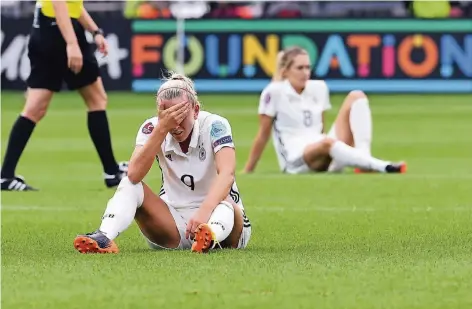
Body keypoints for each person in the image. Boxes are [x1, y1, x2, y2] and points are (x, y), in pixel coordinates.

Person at [73, 73, 252, 254]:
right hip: (172, 224)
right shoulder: (152, 128)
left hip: (222, 222)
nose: (175, 125)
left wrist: (203, 212)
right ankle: (104, 237)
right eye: (167, 116)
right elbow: (134, 174)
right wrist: (161, 129)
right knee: (129, 184)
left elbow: (227, 173)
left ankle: (207, 237)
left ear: (195, 110)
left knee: (226, 203)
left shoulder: (215, 125)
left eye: (180, 115)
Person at [0, 0, 127, 191]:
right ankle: (111, 172)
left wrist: (95, 32)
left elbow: (72, 5)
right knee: (96, 100)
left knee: (34, 108)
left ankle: (6, 176)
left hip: (44, 27)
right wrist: (72, 44)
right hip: (61, 30)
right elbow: (60, 3)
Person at [243, 46, 407, 174]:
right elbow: (263, 134)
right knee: (326, 143)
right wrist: (249, 169)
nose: (305, 73)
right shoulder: (274, 92)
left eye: (308, 67)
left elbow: (321, 126)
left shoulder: (319, 88)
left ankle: (363, 160)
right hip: (296, 160)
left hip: (322, 148)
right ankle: (381, 166)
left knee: (357, 97)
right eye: (300, 68)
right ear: (285, 72)